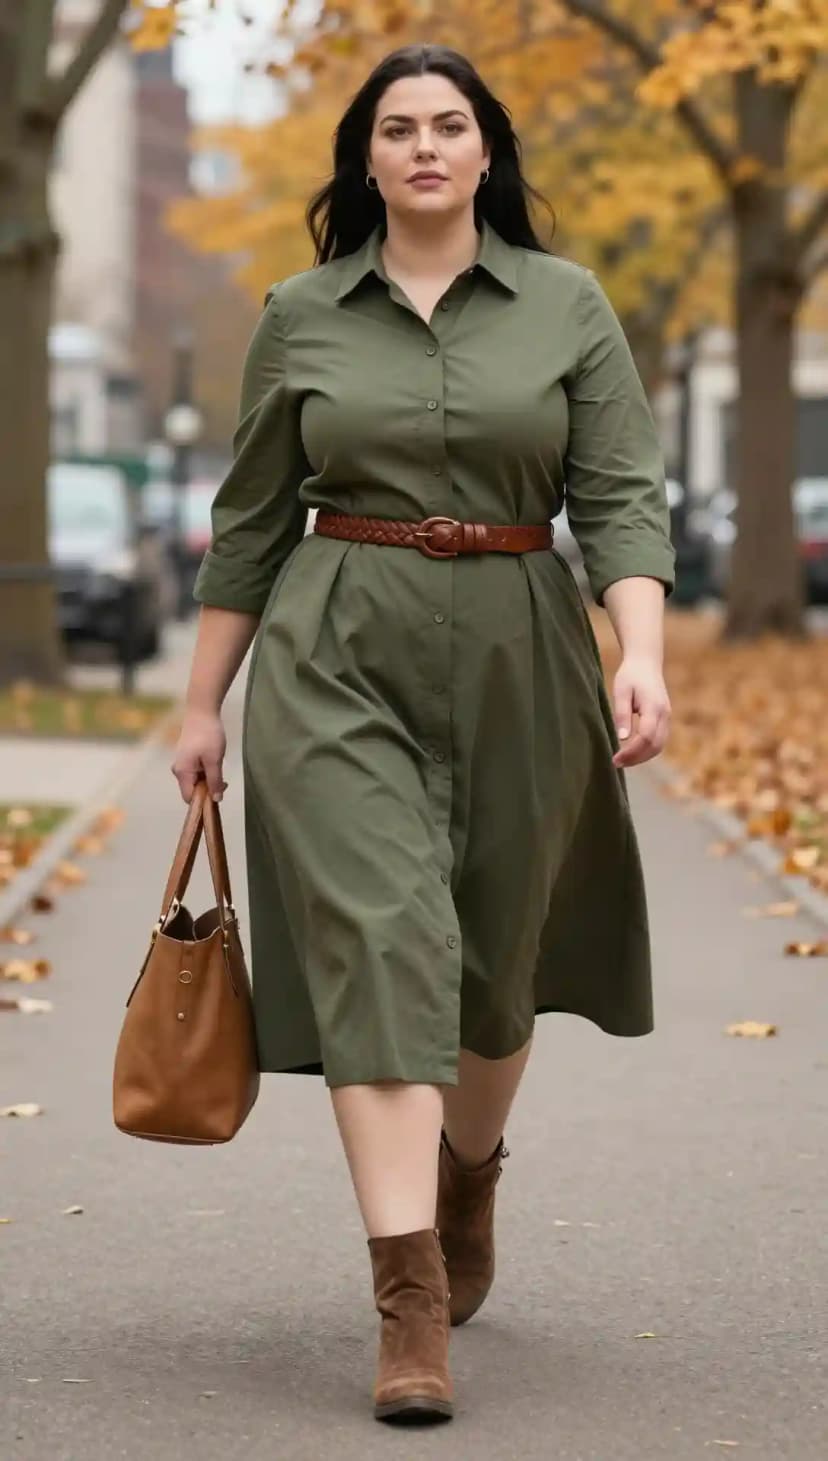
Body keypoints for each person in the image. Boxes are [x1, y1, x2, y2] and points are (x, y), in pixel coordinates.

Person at [171, 42, 676, 1427]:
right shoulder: (302, 313)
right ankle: (408, 1298)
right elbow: (254, 518)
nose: (425, 147)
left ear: (487, 149)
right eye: (397, 128)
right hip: (338, 649)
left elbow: (624, 495)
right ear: (369, 158)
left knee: (498, 957)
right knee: (383, 939)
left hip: (523, 640)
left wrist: (641, 655)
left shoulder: (567, 306)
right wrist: (205, 701)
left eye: (450, 124)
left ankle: (470, 1174)